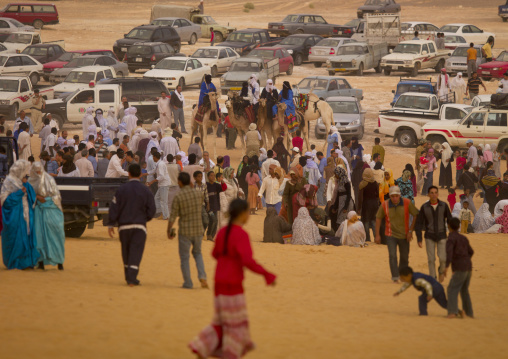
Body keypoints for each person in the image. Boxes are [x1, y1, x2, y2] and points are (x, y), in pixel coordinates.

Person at [189, 199, 276, 358]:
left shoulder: (222, 232)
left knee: (222, 322)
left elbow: (214, 253)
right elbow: (247, 261)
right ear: (242, 214)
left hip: (219, 282)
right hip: (233, 284)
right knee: (235, 325)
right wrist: (266, 274)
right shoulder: (241, 234)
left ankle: (203, 347)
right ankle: (225, 353)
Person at [167, 172, 208, 289]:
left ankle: (188, 283)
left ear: (180, 182)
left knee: (185, 258)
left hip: (185, 231)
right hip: (198, 230)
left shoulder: (178, 197)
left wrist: (168, 230)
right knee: (198, 254)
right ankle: (202, 276)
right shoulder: (198, 194)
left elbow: (173, 216)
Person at [0, 160, 39, 270]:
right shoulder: (9, 181)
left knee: (28, 235)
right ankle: (16, 261)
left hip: (26, 213)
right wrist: (19, 193)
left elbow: (32, 195)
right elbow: (5, 201)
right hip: (15, 215)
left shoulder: (23, 181)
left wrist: (26, 186)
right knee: (16, 237)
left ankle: (27, 262)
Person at [376, 186, 419, 282]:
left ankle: (401, 274)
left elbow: (416, 215)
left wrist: (411, 231)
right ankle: (395, 277)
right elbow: (378, 218)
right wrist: (377, 234)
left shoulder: (407, 202)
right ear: (390, 196)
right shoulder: (385, 205)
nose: (395, 198)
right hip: (390, 234)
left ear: (400, 195)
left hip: (404, 235)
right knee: (392, 255)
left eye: (396, 196)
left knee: (404, 257)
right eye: (392, 196)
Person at [28, 162, 65, 270]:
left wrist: (46, 200)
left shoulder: (49, 179)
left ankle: (59, 262)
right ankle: (41, 263)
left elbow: (56, 196)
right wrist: (37, 198)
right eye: (36, 171)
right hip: (38, 212)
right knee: (39, 237)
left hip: (52, 211)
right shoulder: (31, 181)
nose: (38, 173)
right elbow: (28, 196)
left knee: (56, 236)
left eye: (40, 170)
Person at [415, 186, 452, 280]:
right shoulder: (424, 207)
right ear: (428, 195)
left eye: (435, 192)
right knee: (431, 259)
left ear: (438, 194)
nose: (434, 194)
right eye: (431, 193)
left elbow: (450, 220)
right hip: (429, 236)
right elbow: (418, 223)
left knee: (443, 259)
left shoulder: (444, 205)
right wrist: (419, 238)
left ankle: (440, 271)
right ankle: (433, 278)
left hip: (442, 235)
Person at [443, 217, 474, 318]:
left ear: (449, 226)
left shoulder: (451, 239)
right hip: (468, 267)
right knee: (464, 290)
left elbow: (449, 253)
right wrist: (465, 259)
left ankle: (452, 312)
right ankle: (469, 313)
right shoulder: (463, 238)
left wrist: (446, 267)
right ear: (459, 226)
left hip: (460, 268)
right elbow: (471, 252)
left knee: (452, 289)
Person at [357, 168, 379, 242]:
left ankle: (368, 239)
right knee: (373, 220)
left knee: (366, 221)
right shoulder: (375, 183)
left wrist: (359, 208)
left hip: (366, 204)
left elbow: (360, 198)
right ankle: (376, 237)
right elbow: (378, 194)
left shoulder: (362, 184)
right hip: (375, 204)